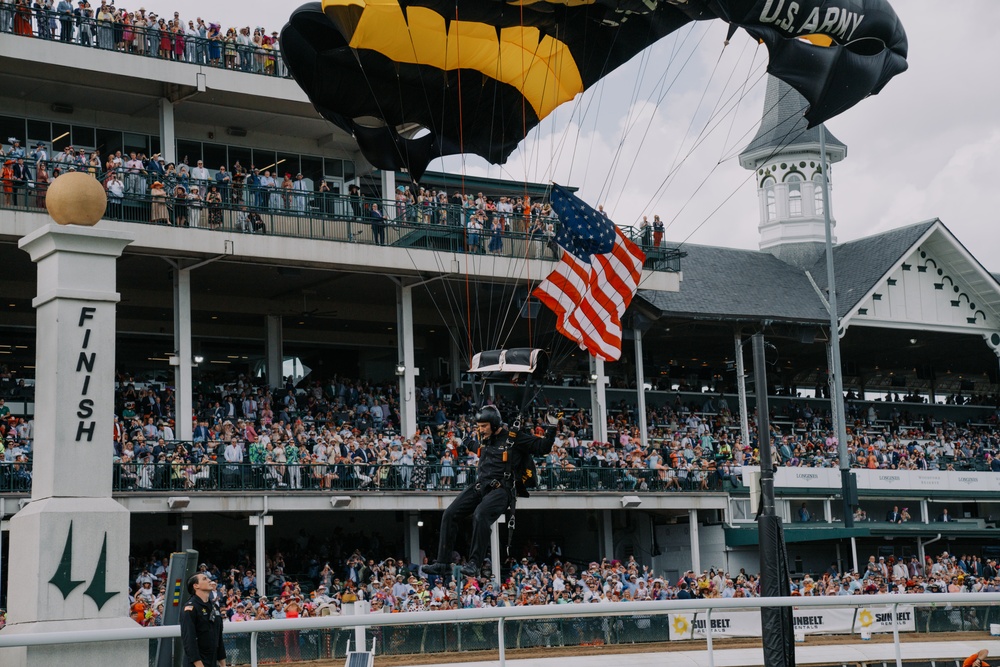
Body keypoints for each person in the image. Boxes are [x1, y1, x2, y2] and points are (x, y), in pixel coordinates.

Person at [425, 405, 557, 578]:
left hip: (502, 490)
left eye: (484, 426)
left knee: (480, 515)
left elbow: (542, 447)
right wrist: (464, 440)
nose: (481, 430)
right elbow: (478, 448)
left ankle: (475, 563)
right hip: (481, 485)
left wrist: (552, 427)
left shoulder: (514, 437)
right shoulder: (485, 438)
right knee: (450, 514)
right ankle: (443, 563)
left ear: (494, 424)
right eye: (479, 426)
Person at [180, 573, 227, 667]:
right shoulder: (190, 608)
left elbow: (219, 638)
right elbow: (189, 641)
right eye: (205, 579)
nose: (210, 580)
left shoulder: (215, 607)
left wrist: (223, 665)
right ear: (196, 585)